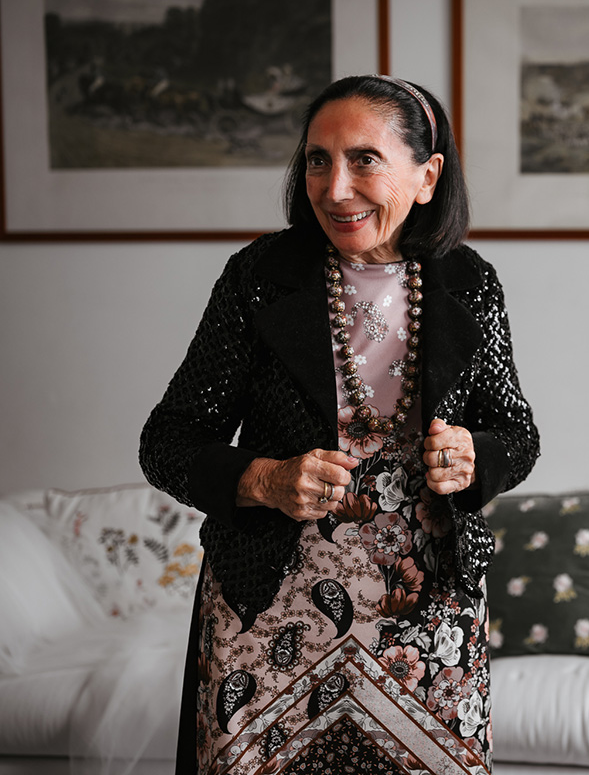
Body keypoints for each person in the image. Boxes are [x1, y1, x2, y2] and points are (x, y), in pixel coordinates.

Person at [140, 75, 539, 775]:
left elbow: (517, 432)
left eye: (364, 160)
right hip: (269, 613)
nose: (335, 188)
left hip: (427, 616)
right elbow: (167, 441)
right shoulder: (258, 276)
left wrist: (476, 457)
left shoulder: (469, 282)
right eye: (318, 160)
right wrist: (264, 479)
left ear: (426, 177)